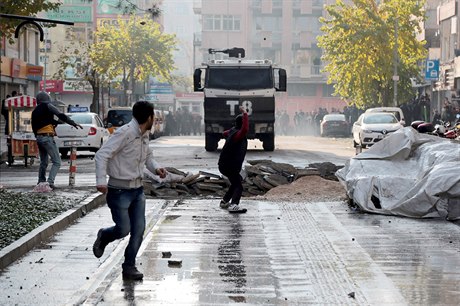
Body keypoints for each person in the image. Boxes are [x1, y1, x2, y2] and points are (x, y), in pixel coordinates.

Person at [93, 101, 167, 281]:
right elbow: (101, 155)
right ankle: (104, 235)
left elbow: (148, 156)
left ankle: (129, 266)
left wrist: (156, 168)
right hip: (119, 190)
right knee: (123, 229)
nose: (154, 120)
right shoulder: (124, 133)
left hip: (137, 190)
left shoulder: (144, 134)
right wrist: (101, 181)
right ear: (148, 117)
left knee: (139, 229)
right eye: (153, 117)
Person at [31, 91, 82, 189]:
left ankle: (41, 181)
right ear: (47, 99)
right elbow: (61, 115)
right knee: (57, 162)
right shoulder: (48, 106)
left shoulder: (35, 111)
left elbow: (37, 125)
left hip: (39, 138)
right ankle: (50, 182)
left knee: (44, 162)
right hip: (47, 137)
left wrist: (55, 123)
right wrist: (73, 123)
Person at [218, 105, 248, 213]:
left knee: (236, 182)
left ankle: (225, 201)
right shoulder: (238, 134)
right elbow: (245, 129)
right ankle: (234, 205)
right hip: (229, 166)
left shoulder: (232, 132)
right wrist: (245, 113)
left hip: (224, 165)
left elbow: (224, 133)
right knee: (238, 186)